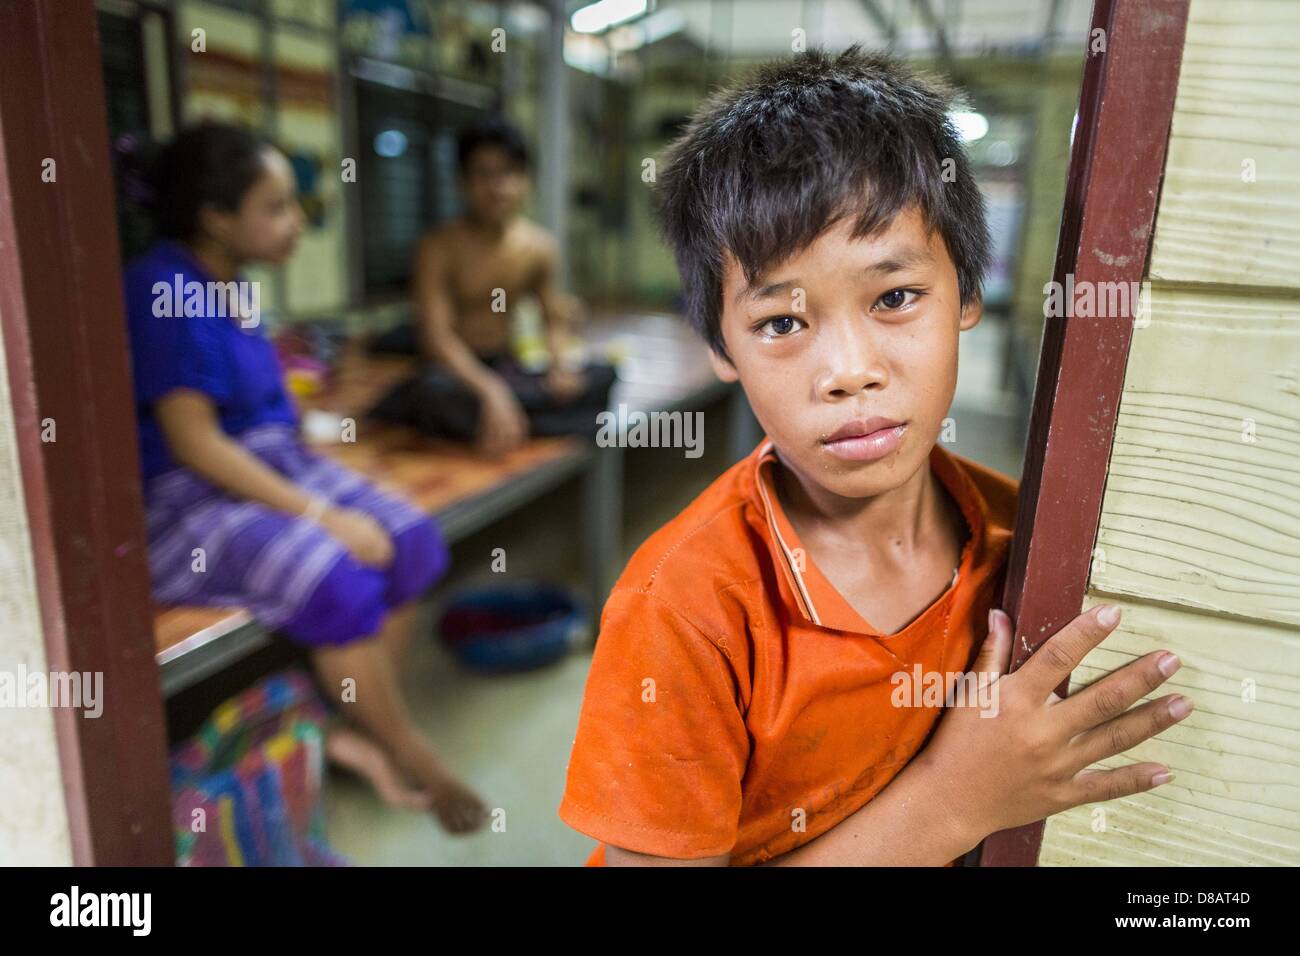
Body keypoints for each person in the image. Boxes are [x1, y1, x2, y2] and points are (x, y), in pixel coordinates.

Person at [557, 47, 1194, 866]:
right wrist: (954, 801)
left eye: (894, 298)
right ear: (721, 346)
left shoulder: (1019, 543)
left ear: (968, 296)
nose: (850, 370)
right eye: (782, 323)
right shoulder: (683, 611)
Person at [123, 122, 487, 834]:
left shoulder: (235, 289)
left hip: (268, 466)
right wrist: (323, 517)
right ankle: (407, 749)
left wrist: (323, 463)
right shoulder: (162, 289)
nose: (297, 222)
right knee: (338, 574)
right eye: (278, 206)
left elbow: (268, 417)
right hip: (189, 498)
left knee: (410, 540)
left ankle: (340, 721)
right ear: (216, 218)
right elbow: (194, 443)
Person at [369, 116, 616, 456]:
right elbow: (436, 337)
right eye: (483, 174)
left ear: (525, 180)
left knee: (604, 375)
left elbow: (553, 318)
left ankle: (511, 419)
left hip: (506, 366)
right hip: (455, 375)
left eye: (508, 173)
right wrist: (491, 392)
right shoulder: (438, 247)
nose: (496, 187)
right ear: (462, 182)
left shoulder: (538, 247)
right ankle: (531, 418)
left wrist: (559, 366)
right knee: (433, 394)